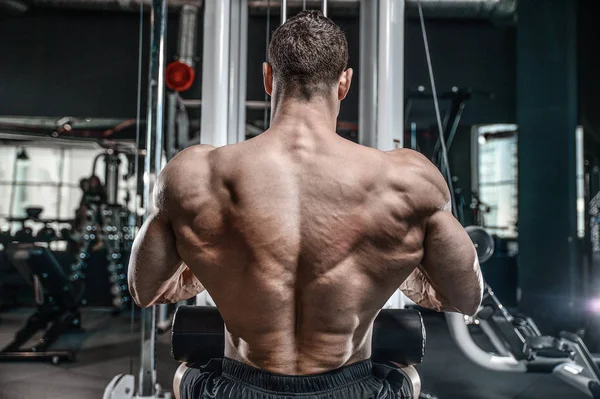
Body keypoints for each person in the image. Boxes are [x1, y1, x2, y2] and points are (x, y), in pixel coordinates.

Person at [128, 10, 483, 399]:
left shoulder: (195, 173)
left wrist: (214, 260)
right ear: (344, 83)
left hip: (239, 389)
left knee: (185, 376)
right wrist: (396, 268)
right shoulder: (408, 179)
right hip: (351, 390)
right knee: (407, 378)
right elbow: (466, 298)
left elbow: (145, 290)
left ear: (268, 78)